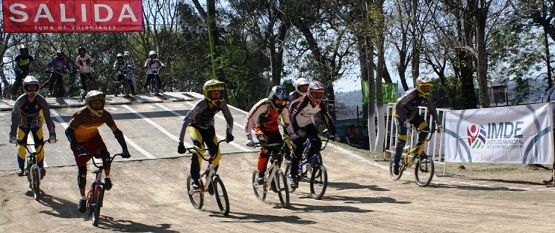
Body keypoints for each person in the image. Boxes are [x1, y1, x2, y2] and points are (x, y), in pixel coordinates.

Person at [65, 90, 131, 213]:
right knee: (82, 171)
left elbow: (117, 132)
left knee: (106, 156)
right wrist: (76, 146)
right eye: (94, 103)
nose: (97, 105)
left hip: (94, 138)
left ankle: (107, 178)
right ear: (89, 104)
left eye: (100, 103)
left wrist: (125, 148)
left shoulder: (105, 115)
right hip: (78, 142)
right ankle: (83, 198)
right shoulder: (81, 115)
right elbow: (68, 132)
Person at [177, 79, 234, 190]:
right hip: (196, 127)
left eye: (219, 93)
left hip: (209, 129)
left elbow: (229, 118)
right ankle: (194, 179)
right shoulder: (201, 104)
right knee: (199, 150)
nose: (217, 95)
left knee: (217, 156)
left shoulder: (221, 103)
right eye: (214, 93)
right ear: (207, 94)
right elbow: (185, 121)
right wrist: (181, 143)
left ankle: (210, 177)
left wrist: (229, 133)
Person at [289, 81, 339, 188]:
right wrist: (296, 130)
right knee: (297, 151)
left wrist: (333, 132)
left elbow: (327, 117)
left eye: (320, 94)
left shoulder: (320, 103)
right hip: (294, 125)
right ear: (309, 93)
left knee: (317, 142)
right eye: (315, 94)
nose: (318, 96)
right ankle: (293, 176)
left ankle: (309, 157)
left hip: (307, 124)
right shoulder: (301, 102)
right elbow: (291, 117)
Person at [245, 85, 298, 185]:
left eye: (283, 102)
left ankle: (273, 174)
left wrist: (291, 134)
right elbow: (249, 119)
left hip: (274, 130)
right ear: (272, 98)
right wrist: (249, 137)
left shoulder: (284, 108)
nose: (280, 104)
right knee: (265, 150)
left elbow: (287, 123)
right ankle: (260, 174)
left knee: (279, 152)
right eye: (278, 101)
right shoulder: (263, 104)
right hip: (260, 129)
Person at [392, 76, 443, 175]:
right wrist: (403, 120)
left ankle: (418, 149)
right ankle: (396, 162)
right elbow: (398, 105)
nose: (426, 90)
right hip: (400, 115)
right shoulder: (411, 94)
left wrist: (439, 123)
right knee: (402, 139)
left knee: (425, 128)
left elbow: (432, 109)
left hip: (412, 114)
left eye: (428, 88)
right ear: (419, 86)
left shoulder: (425, 96)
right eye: (424, 87)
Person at [9, 76, 56, 177]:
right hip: (23, 123)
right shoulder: (20, 101)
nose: (32, 90)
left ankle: (40, 167)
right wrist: (12, 135)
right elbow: (14, 118)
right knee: (21, 146)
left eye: (34, 87)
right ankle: (21, 168)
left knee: (40, 146)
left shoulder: (41, 100)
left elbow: (48, 118)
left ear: (37, 88)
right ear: (25, 88)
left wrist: (52, 134)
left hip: (37, 123)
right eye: (29, 87)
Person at [282, 77, 311, 160]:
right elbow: (288, 111)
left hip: (299, 118)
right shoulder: (291, 96)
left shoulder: (309, 96)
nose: (305, 89)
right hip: (287, 117)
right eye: (302, 87)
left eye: (306, 87)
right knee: (288, 135)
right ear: (297, 88)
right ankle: (287, 154)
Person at [544, 75, 555, 184]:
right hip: (553, 128)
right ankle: (554, 176)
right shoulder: (551, 91)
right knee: (554, 154)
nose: (554, 78)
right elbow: (545, 107)